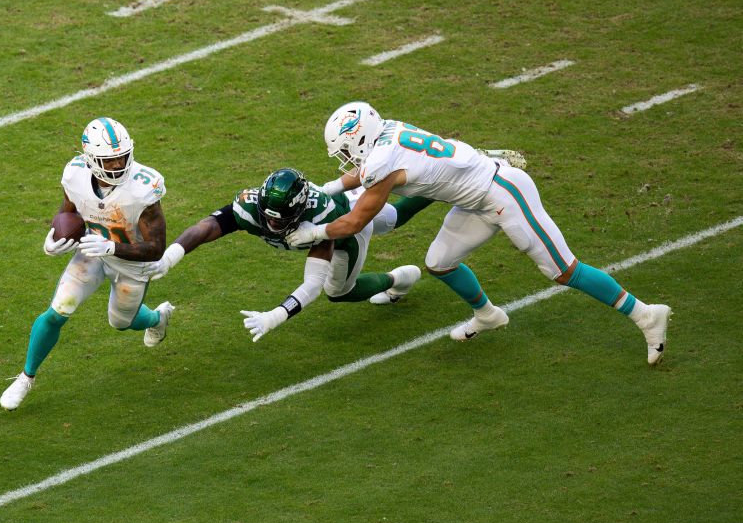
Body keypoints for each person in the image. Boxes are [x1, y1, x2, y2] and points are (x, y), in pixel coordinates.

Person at [287, 102, 671, 365]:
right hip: (476, 199)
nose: (347, 158)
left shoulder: (382, 162)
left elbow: (355, 222)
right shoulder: (389, 133)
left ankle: (645, 314)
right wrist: (330, 188)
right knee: (439, 262)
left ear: (360, 138)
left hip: (504, 194)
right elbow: (365, 170)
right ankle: (487, 315)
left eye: (346, 149)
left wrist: (313, 233)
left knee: (562, 270)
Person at [0, 117, 174, 410]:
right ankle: (26, 376)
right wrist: (53, 238)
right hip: (91, 253)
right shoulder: (75, 175)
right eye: (110, 160)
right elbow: (68, 213)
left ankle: (158, 319)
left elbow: (156, 248)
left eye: (122, 158)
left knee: (120, 322)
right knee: (59, 309)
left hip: (131, 262)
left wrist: (112, 246)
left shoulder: (143, 188)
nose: (118, 166)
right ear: (90, 160)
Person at [142, 167, 422, 342]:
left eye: (281, 220)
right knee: (395, 216)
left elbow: (313, 282)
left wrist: (276, 315)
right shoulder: (250, 205)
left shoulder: (320, 216)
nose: (273, 225)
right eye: (268, 217)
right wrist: (169, 257)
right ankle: (444, 188)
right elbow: (205, 228)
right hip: (345, 201)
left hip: (345, 228)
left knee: (337, 291)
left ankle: (398, 279)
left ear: (300, 211)